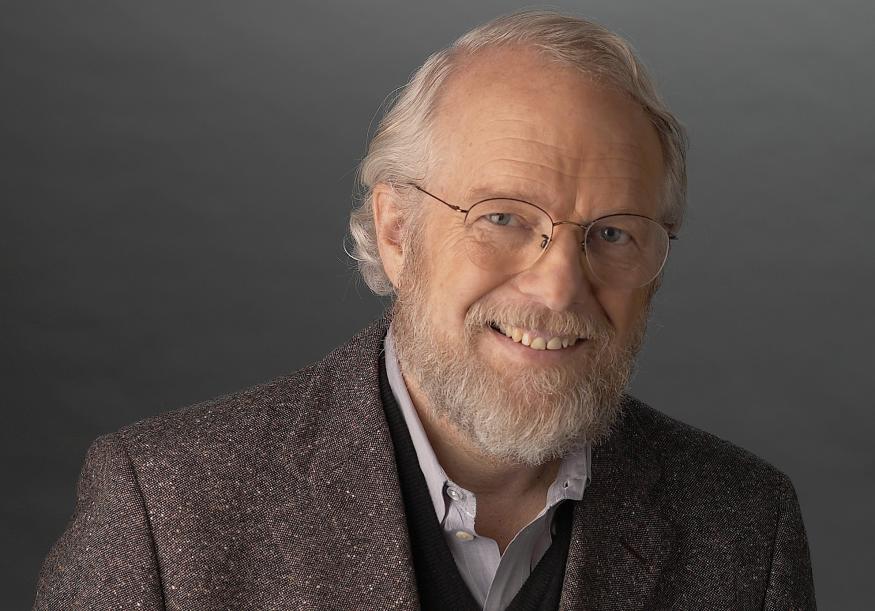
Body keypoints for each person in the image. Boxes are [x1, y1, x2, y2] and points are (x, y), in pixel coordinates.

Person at [34, 10, 815, 610]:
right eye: (503, 217)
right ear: (397, 230)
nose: (557, 288)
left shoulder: (744, 526)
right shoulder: (168, 513)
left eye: (612, 233)